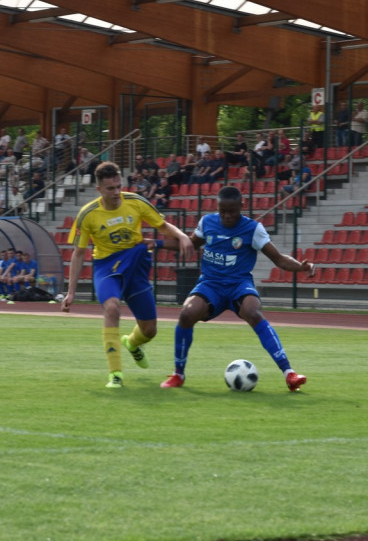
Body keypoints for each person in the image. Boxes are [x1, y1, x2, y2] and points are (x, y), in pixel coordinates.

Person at [161, 185, 315, 391]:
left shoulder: (253, 229)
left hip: (238, 285)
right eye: (222, 210)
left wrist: (301, 267)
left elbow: (278, 259)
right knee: (186, 314)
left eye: (231, 211)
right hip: (210, 284)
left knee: (253, 312)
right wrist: (155, 243)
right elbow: (190, 243)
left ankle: (289, 374)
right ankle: (178, 374)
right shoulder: (207, 222)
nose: (226, 216)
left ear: (242, 206)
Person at [61, 161, 194, 389]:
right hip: (106, 267)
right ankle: (115, 375)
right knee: (112, 307)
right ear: (99, 190)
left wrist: (182, 236)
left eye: (118, 187)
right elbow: (79, 253)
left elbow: (162, 226)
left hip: (135, 263)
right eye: (110, 189)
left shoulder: (136, 202)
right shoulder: (88, 214)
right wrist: (71, 292)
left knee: (150, 331)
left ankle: (132, 344)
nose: (116, 193)